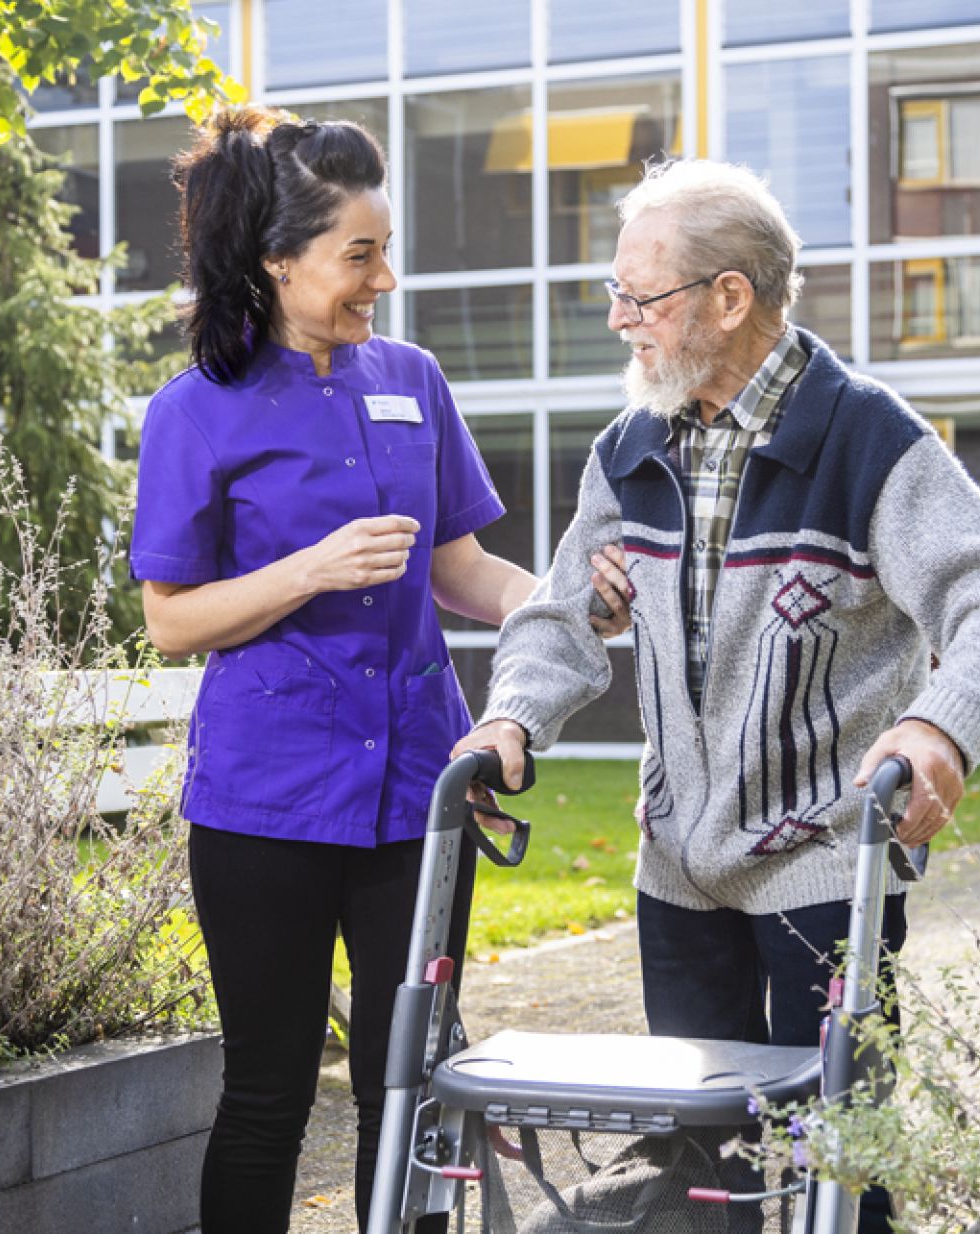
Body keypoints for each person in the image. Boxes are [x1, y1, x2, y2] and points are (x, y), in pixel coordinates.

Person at [450, 159, 980, 1232]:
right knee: (700, 1165)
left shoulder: (864, 439)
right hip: (679, 867)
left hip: (823, 859)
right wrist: (511, 718)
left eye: (641, 297)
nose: (619, 319)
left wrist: (938, 728)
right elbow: (557, 615)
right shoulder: (633, 445)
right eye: (617, 293)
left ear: (730, 298)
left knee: (839, 1153)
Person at [131, 107, 627, 1234]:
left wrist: (566, 603)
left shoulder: (412, 379)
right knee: (269, 1092)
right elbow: (170, 621)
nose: (384, 279)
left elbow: (460, 568)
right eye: (359, 255)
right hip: (266, 801)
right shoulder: (195, 412)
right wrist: (309, 569)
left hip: (418, 792)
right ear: (277, 260)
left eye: (384, 249)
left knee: (411, 1087)